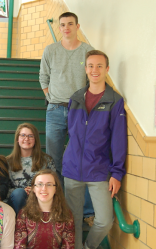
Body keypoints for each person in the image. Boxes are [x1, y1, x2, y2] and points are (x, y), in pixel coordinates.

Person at [62, 50, 127, 249]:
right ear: (85, 69)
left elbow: (118, 140)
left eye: (99, 66)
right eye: (90, 66)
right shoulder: (76, 98)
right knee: (74, 221)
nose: (94, 70)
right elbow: (71, 132)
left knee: (105, 220)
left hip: (99, 170)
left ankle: (88, 247)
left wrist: (117, 173)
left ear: (107, 69)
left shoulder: (115, 101)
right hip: (72, 169)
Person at [39, 12, 94, 188]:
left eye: (70, 24)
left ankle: (80, 206)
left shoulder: (87, 51)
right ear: (59, 27)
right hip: (54, 110)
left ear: (77, 27)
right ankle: (57, 201)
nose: (66, 28)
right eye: (62, 25)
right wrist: (50, 98)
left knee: (79, 155)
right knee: (53, 159)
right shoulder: (51, 50)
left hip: (79, 110)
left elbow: (92, 79)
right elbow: (43, 77)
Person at [14, 169, 74, 248]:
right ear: (34, 189)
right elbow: (19, 246)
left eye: (49, 184)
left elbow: (68, 246)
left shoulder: (66, 214)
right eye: (40, 184)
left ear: (56, 189)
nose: (44, 188)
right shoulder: (24, 214)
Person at [6, 123, 56, 214]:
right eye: (23, 135)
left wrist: (36, 189)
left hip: (40, 198)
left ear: (35, 139)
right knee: (19, 193)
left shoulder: (46, 160)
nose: (26, 139)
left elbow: (54, 185)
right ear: (17, 139)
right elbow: (4, 189)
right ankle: (19, 225)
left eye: (30, 136)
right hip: (17, 202)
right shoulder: (7, 162)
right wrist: (23, 191)